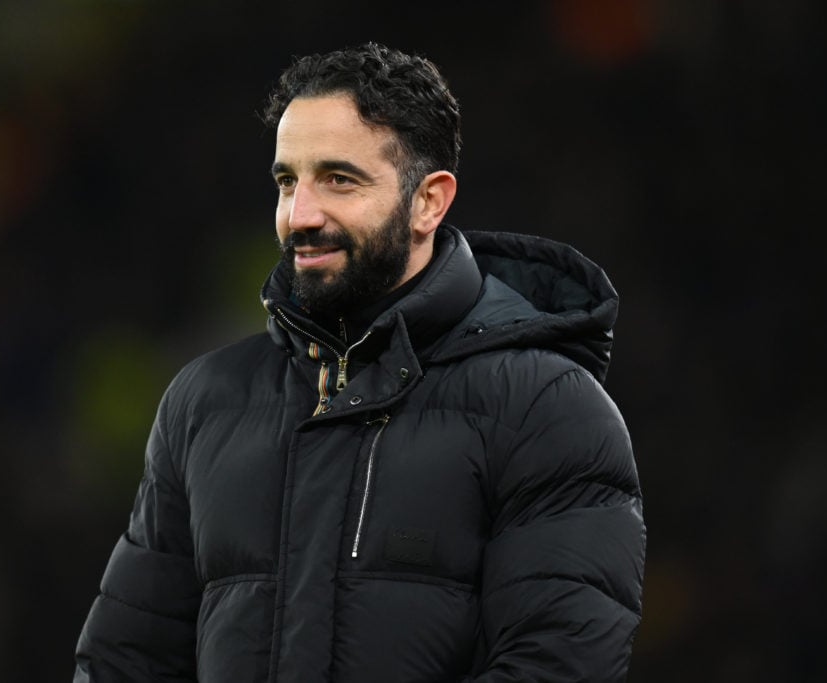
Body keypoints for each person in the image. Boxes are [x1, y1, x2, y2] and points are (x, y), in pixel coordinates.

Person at [74, 42, 645, 682]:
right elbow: (125, 660)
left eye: (339, 179)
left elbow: (560, 663)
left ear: (430, 200)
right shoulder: (203, 401)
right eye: (288, 181)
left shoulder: (545, 407)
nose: (301, 216)